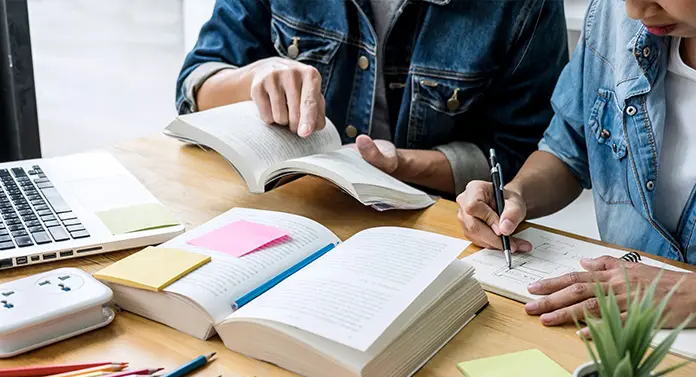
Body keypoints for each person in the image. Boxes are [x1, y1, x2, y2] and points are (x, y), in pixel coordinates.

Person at [456, 0, 696, 328]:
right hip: (614, 323)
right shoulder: (610, 16)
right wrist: (516, 194)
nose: (633, 11)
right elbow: (569, 149)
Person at [176, 1, 568, 195]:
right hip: (285, 202)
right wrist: (255, 76)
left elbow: (521, 155)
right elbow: (197, 82)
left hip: (426, 224)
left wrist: (402, 165)